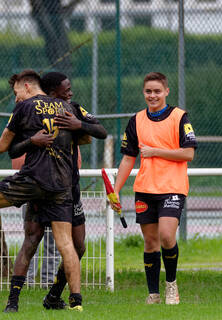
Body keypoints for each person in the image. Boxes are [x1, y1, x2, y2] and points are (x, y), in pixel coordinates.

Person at [6, 71, 107, 311]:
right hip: (38, 185)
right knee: (31, 240)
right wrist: (32, 141)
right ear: (51, 92)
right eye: (66, 88)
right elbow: (12, 150)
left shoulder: (73, 109)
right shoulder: (31, 112)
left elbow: (100, 131)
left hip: (67, 188)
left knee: (78, 245)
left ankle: (54, 296)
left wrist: (78, 125)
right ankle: (13, 302)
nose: (70, 91)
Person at [111, 72, 197, 304]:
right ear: (143, 93)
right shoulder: (136, 120)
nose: (153, 95)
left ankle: (171, 285)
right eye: (148, 91)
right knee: (150, 242)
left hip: (172, 187)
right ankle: (153, 293)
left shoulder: (180, 117)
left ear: (166, 92)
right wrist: (116, 190)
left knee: (167, 236)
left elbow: (188, 153)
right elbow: (128, 158)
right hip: (145, 188)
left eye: (157, 91)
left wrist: (156, 151)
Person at [12, 156, 61, 287]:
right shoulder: (27, 138)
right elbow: (17, 161)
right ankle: (27, 280)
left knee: (55, 241)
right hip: (31, 190)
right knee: (30, 241)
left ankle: (49, 281)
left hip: (56, 192)